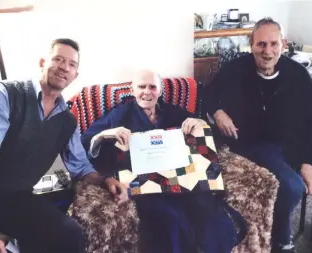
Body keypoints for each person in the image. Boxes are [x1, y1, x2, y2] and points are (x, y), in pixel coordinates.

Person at [0, 38, 128, 253]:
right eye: (58, 59)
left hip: (14, 199)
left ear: (75, 75)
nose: (64, 67)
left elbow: (80, 167)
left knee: (67, 232)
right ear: (42, 62)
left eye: (72, 64)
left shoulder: (68, 121)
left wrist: (107, 180)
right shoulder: (5, 94)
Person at [204, 17, 312, 253]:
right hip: (254, 143)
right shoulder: (234, 69)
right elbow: (208, 94)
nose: (268, 51)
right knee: (291, 186)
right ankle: (281, 240)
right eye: (261, 44)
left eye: (274, 44)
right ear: (251, 44)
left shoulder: (298, 74)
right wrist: (218, 111)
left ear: (283, 44)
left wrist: (308, 161)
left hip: (294, 143)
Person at [81, 69, 245, 253]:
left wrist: (199, 124)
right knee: (169, 222)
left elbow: (204, 136)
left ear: (160, 91)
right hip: (147, 186)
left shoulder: (172, 111)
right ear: (133, 90)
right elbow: (86, 141)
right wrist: (105, 134)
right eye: (141, 87)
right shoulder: (120, 114)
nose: (147, 92)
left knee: (211, 217)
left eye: (152, 87)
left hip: (180, 180)